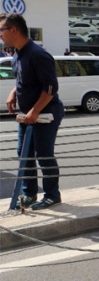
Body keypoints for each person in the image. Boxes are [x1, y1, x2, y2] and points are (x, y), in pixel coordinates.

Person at [1, 13, 65, 210]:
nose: (0, 35)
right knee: (24, 153)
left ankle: (52, 195)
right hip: (28, 115)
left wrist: (35, 111)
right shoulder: (16, 54)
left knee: (43, 154)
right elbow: (25, 81)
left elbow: (51, 88)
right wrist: (14, 93)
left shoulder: (38, 54)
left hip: (46, 114)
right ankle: (29, 193)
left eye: (1, 31)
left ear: (14, 30)